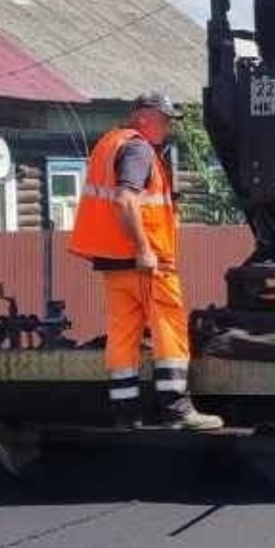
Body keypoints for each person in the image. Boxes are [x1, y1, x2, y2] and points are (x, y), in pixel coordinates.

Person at [69, 92, 224, 432]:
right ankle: (176, 409)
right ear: (143, 116)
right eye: (164, 119)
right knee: (169, 331)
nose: (168, 127)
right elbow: (126, 200)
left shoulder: (109, 143)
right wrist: (144, 250)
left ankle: (125, 413)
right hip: (147, 265)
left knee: (123, 337)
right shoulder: (138, 148)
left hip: (114, 264)